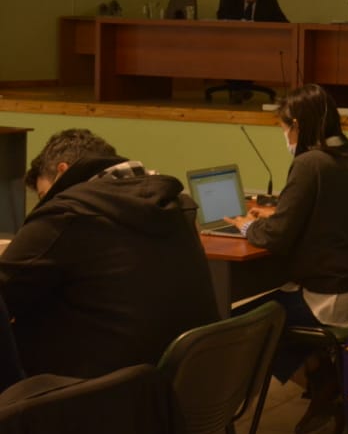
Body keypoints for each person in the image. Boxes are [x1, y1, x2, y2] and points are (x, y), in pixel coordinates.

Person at [225, 84, 348, 434]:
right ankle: (323, 379)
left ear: (297, 124)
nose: (285, 135)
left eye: (284, 127)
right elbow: (324, 210)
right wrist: (278, 212)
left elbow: (277, 238)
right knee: (275, 306)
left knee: (236, 321)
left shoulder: (309, 163)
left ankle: (321, 380)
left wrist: (247, 225)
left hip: (328, 298)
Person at [0, 129, 219, 378]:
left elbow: (5, 292)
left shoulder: (66, 212)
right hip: (189, 383)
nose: (44, 204)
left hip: (98, 392)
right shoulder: (174, 204)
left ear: (62, 171)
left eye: (43, 196)